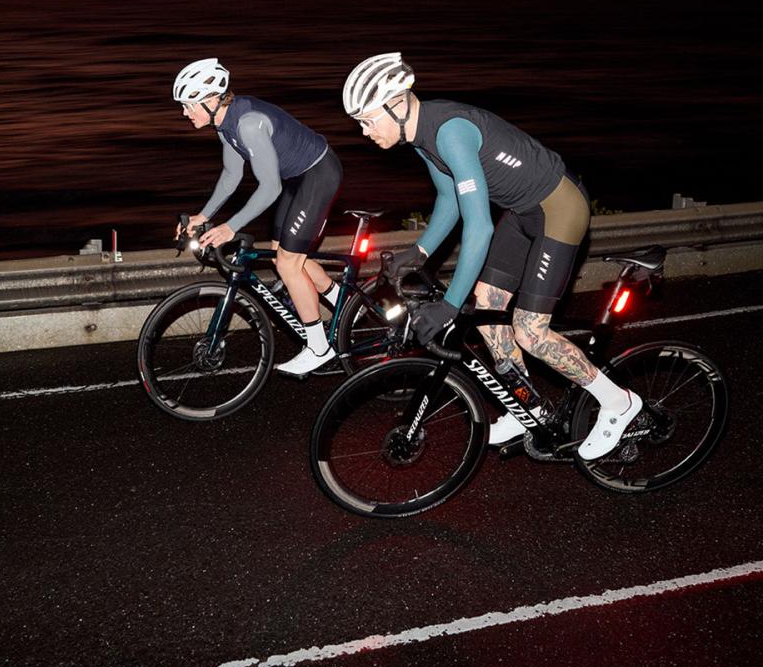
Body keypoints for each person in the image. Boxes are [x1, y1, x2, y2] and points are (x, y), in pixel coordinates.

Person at [341, 52, 642, 460]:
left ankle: (618, 402)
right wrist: (420, 251)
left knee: (530, 332)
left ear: (396, 105)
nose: (364, 131)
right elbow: (449, 197)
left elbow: (479, 227)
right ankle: (527, 406)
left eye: (367, 120)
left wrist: (449, 306)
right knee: (486, 306)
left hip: (559, 207)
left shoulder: (449, 132)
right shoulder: (419, 135)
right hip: (522, 212)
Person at [172, 57, 344, 376]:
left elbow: (270, 188)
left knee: (289, 264)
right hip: (297, 179)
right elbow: (231, 174)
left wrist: (230, 227)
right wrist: (203, 215)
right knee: (284, 254)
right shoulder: (225, 125)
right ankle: (341, 302)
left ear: (211, 100)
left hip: (318, 174)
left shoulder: (248, 124)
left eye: (188, 105)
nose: (185, 112)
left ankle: (319, 348)